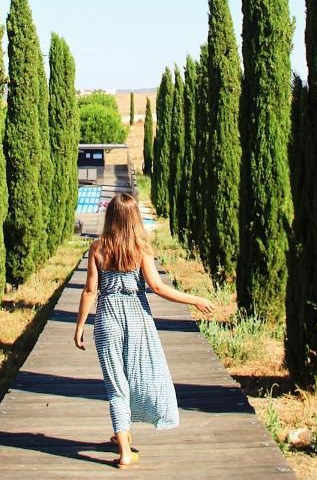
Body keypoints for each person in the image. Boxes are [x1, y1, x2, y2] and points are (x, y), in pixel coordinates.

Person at [74, 193, 215, 469]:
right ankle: (126, 452)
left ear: (111, 217)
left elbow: (91, 290)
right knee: (137, 375)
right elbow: (158, 288)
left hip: (107, 320)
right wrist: (194, 299)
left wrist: (80, 326)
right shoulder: (141, 248)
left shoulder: (98, 248)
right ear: (134, 218)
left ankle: (121, 434)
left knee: (116, 383)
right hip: (138, 320)